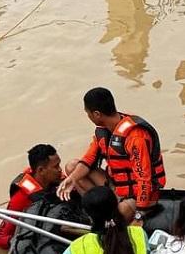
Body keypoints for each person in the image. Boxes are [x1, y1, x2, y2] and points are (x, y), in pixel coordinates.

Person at [57, 87, 166, 215]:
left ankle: (111, 216)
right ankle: (100, 211)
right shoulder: (103, 131)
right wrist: (72, 179)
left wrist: (139, 213)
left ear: (97, 114)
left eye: (88, 113)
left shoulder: (136, 137)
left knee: (121, 213)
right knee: (72, 167)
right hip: (116, 186)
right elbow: (89, 159)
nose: (88, 117)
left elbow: (144, 179)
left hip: (138, 194)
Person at [0, 144, 63, 249]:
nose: (60, 170)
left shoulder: (56, 179)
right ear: (41, 170)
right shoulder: (20, 199)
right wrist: (26, 242)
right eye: (56, 166)